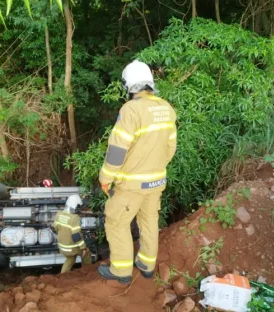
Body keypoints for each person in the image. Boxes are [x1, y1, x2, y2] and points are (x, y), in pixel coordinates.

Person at [97, 60, 177, 284]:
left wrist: (106, 178)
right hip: (156, 182)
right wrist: (154, 167)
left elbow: (116, 150)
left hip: (131, 184)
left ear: (129, 86)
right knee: (149, 221)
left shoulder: (130, 109)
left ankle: (121, 271)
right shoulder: (166, 108)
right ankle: (146, 265)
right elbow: (171, 147)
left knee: (116, 221)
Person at [54, 194, 91, 273]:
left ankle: (62, 276)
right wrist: (83, 248)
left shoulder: (58, 214)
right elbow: (76, 235)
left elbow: (56, 228)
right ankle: (88, 271)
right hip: (71, 247)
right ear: (75, 206)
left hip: (62, 247)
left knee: (70, 259)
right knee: (86, 253)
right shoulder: (75, 218)